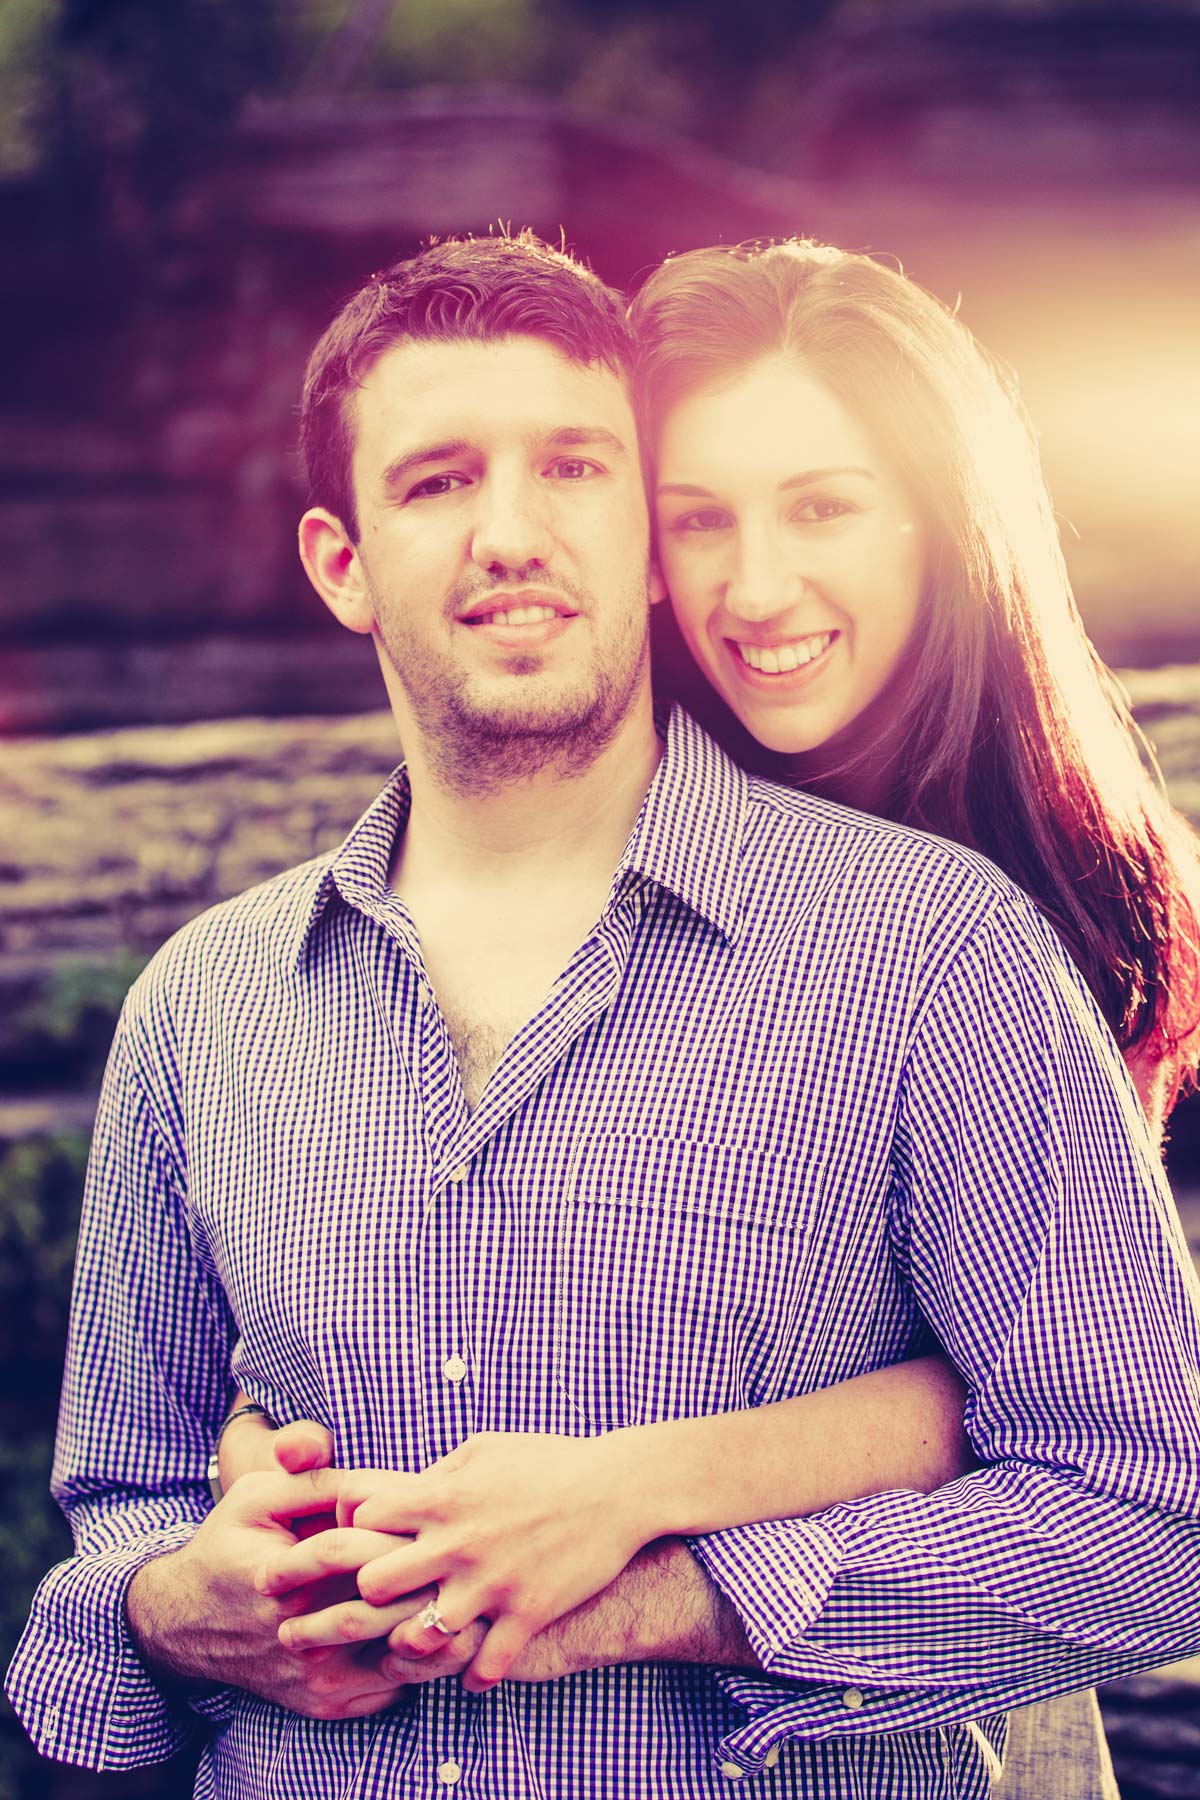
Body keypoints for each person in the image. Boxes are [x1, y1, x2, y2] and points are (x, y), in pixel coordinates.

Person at [7, 233, 1200, 1800]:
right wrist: (183, 1605)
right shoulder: (204, 1010)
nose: (511, 532)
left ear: (634, 536)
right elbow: (129, 1518)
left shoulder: (944, 945)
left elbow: (1138, 1499)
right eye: (436, 481)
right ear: (338, 560)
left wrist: (651, 1585)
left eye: (573, 465)